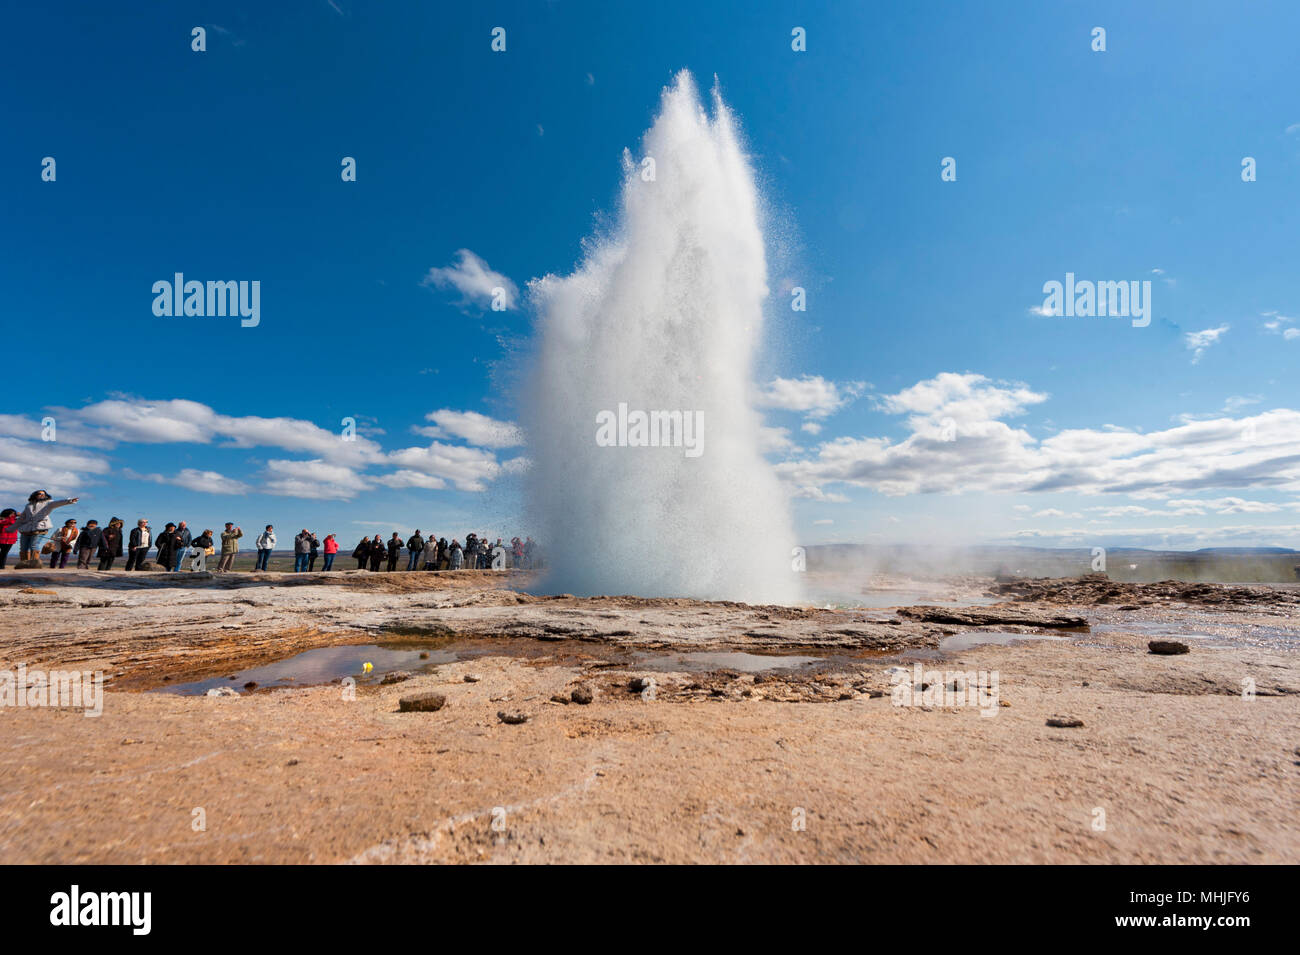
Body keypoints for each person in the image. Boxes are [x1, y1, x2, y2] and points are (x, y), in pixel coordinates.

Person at [14, 490, 79, 564]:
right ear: (35, 495)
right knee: (23, 547)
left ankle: (34, 563)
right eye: (39, 494)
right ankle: (24, 563)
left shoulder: (48, 503)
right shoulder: (29, 505)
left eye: (43, 494)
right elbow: (25, 515)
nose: (42, 495)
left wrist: (69, 501)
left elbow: (58, 503)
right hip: (26, 529)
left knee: (34, 545)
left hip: (40, 528)